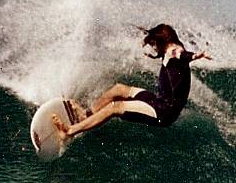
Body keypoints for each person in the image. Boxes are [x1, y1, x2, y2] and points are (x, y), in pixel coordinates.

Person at [52, 23, 209, 140]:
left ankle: (70, 131)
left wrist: (196, 56)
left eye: (154, 44)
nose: (154, 48)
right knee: (119, 89)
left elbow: (181, 54)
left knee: (115, 108)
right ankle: (86, 115)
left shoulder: (173, 50)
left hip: (164, 111)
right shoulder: (172, 47)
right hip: (159, 100)